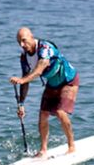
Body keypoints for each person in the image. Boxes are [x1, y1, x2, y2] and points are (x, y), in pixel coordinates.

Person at [9, 27, 79, 156]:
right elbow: (25, 80)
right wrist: (21, 104)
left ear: (31, 36)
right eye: (19, 42)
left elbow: (39, 69)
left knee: (59, 111)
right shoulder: (24, 57)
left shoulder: (45, 48)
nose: (22, 45)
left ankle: (71, 146)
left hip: (68, 80)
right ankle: (43, 150)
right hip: (52, 83)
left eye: (24, 40)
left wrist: (22, 80)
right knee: (43, 114)